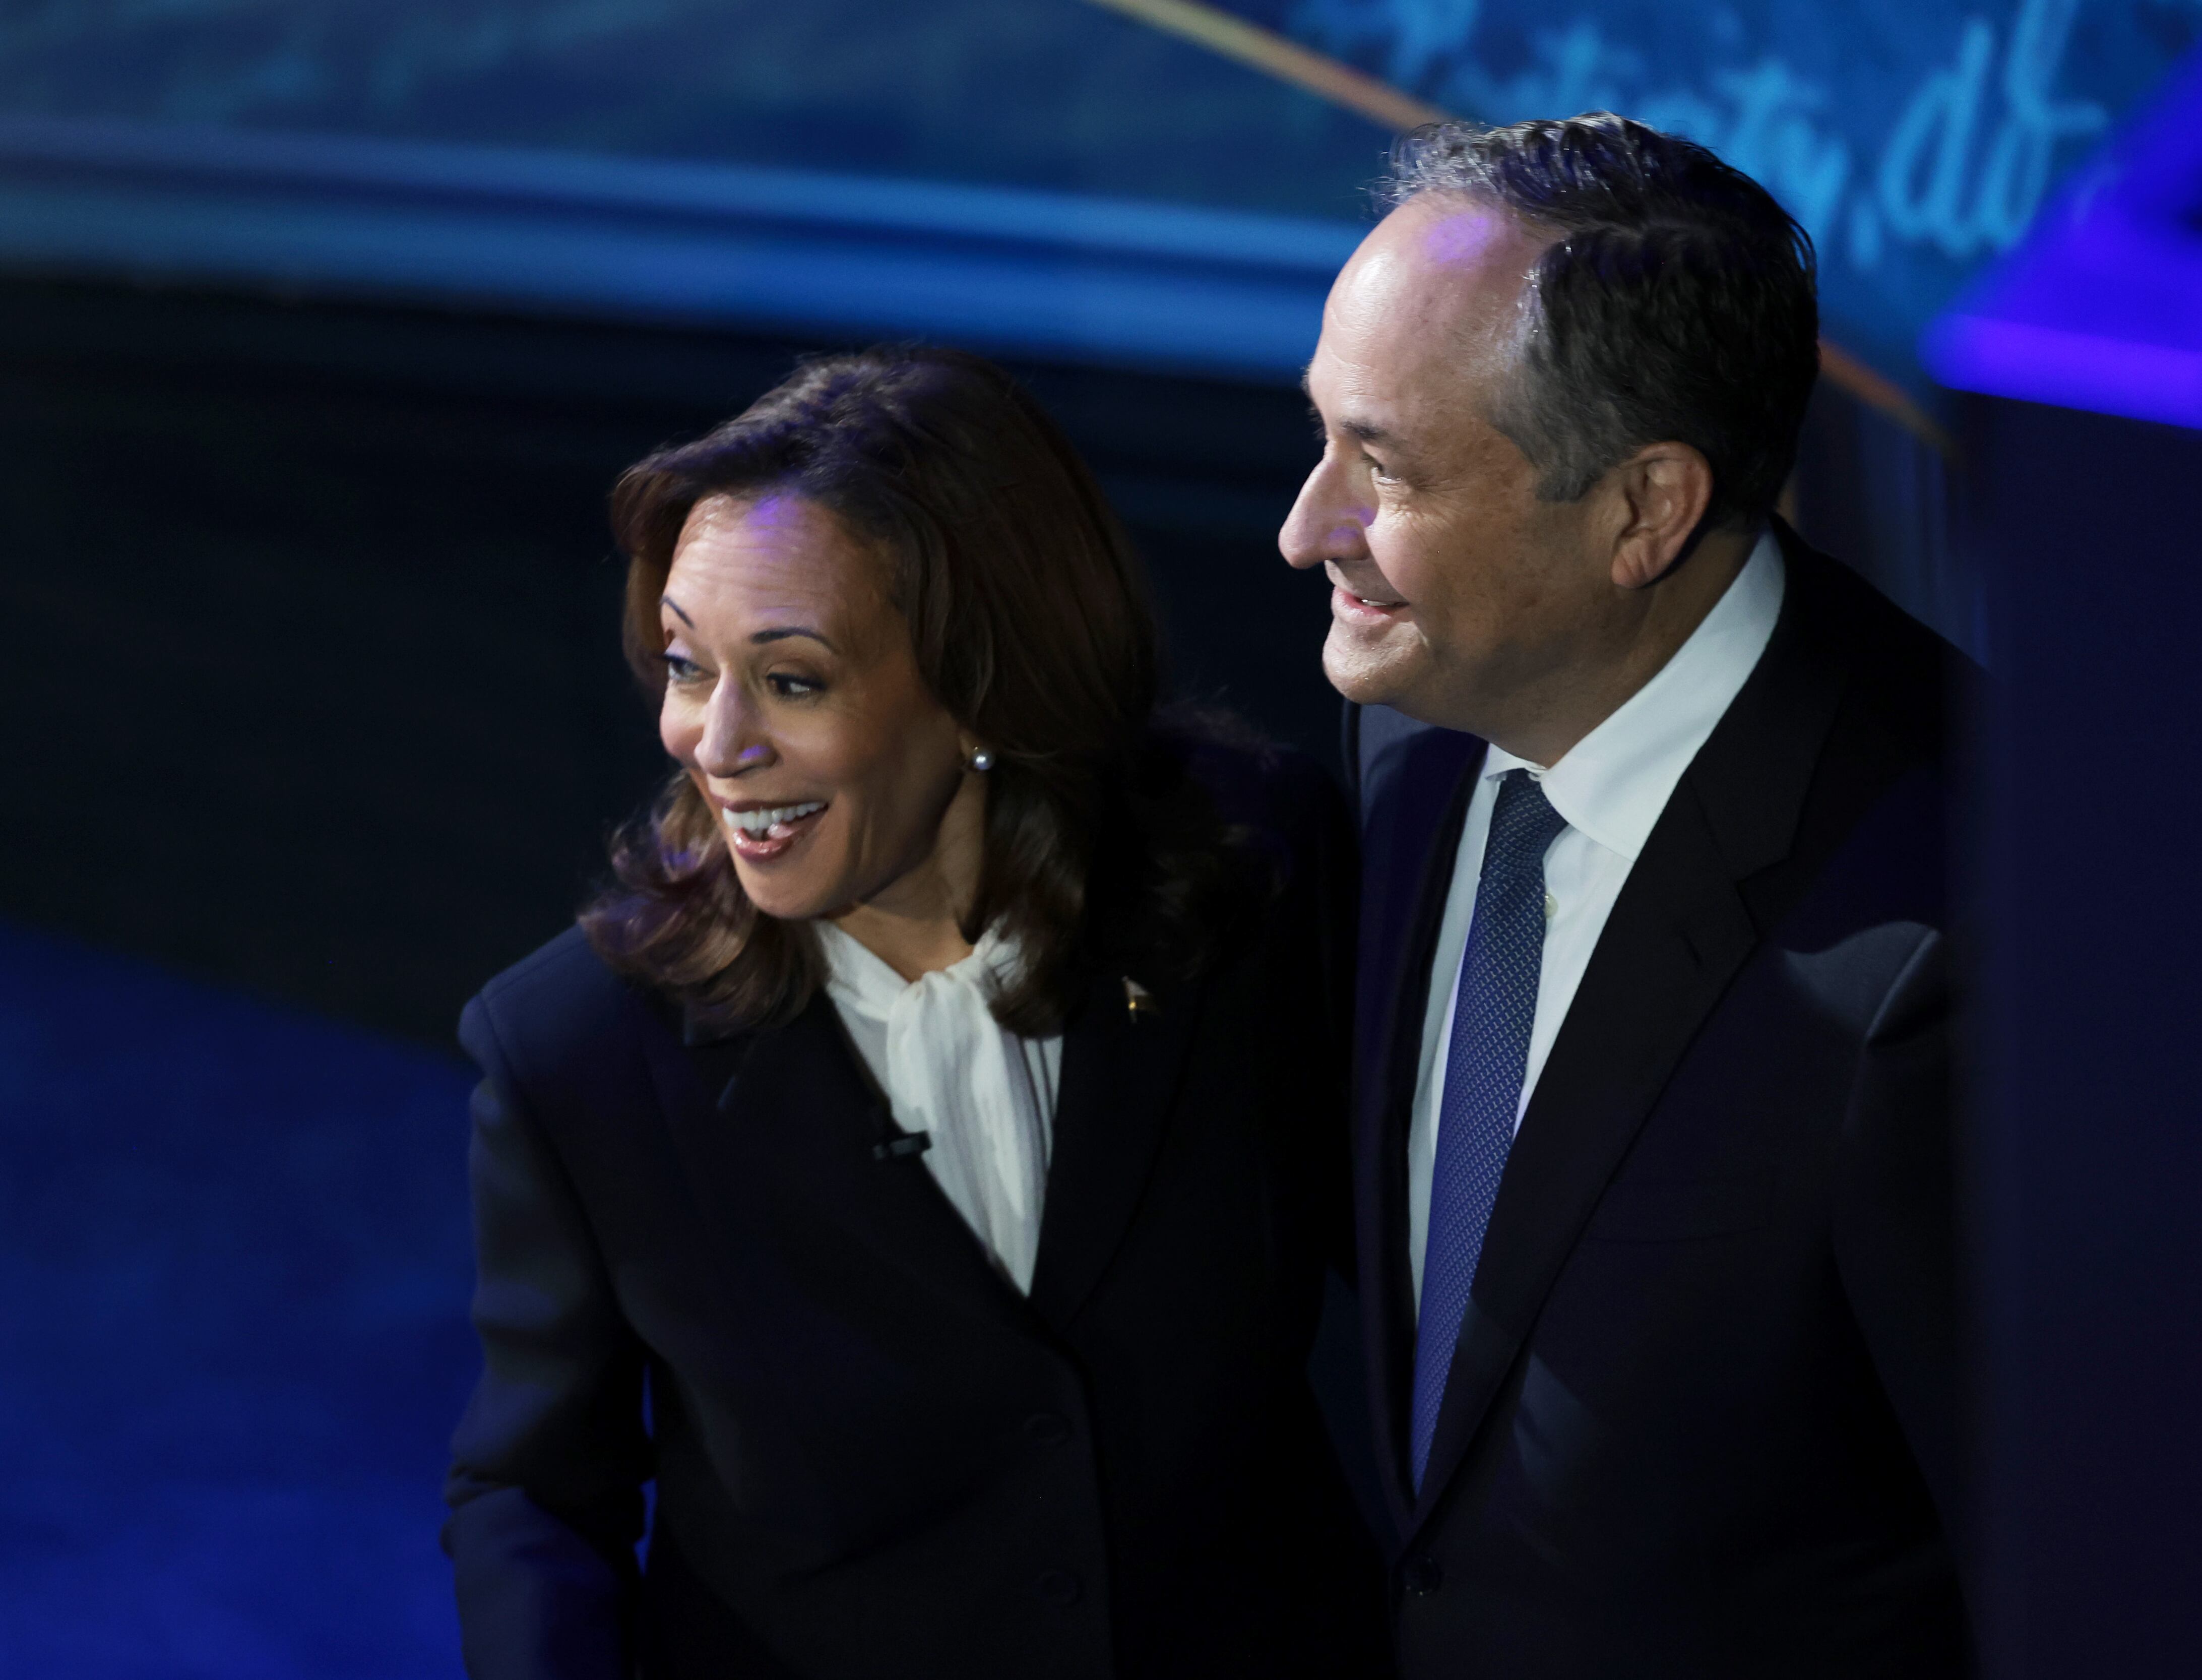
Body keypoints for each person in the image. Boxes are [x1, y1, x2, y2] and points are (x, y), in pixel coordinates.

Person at [443, 346, 1390, 1678]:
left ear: (987, 686)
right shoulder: (577, 1053)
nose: (714, 746)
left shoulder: (1252, 877)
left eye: (793, 678)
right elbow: (533, 1498)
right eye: (686, 666)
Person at [1281, 115, 1973, 1674]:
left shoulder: (1949, 944)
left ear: (1645, 511)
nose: (1305, 528)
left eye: (1380, 467)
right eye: (1319, 436)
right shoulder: (1410, 712)